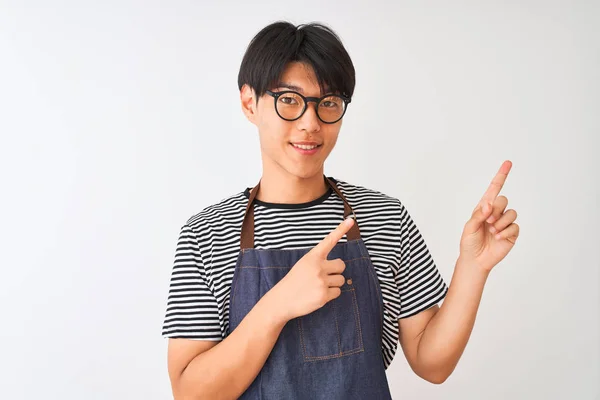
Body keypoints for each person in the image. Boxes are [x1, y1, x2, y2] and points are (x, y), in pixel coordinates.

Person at [162, 21, 520, 400]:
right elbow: (191, 393)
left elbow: (432, 364)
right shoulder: (206, 233)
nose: (310, 123)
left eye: (328, 103)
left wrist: (473, 267)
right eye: (289, 100)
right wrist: (279, 304)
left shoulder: (385, 216)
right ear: (249, 103)